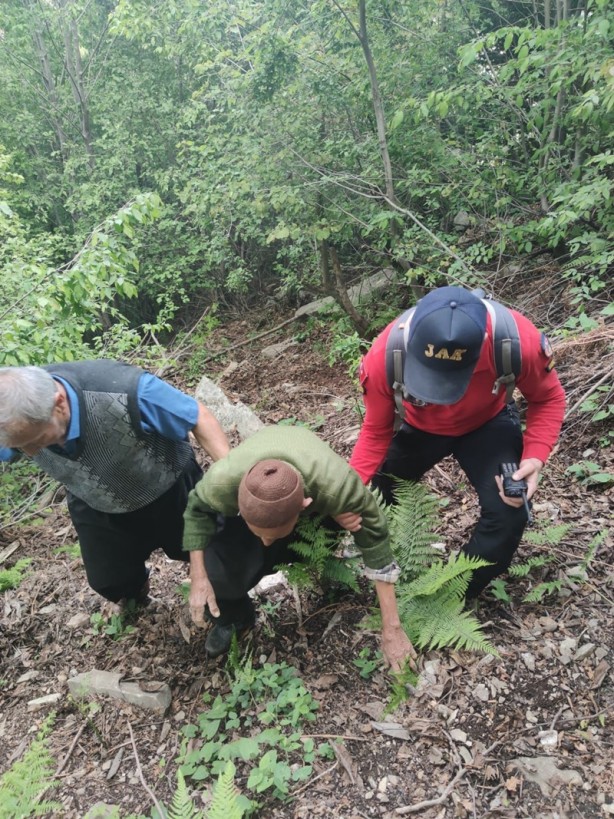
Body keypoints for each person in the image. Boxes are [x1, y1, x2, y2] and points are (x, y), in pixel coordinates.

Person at [349, 285, 566, 599]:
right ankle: (385, 565)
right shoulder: (385, 357)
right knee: (375, 494)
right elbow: (375, 431)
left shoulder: (517, 341)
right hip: (418, 427)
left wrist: (535, 456)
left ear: (482, 346)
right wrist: (348, 492)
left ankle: (452, 594)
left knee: (510, 511)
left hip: (487, 424)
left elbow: (548, 398)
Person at [182, 424, 416, 670]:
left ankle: (320, 560)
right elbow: (196, 511)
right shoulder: (222, 482)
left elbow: (377, 545)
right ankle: (236, 620)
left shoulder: (339, 487)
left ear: (305, 505)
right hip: (263, 505)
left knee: (348, 516)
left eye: (272, 536)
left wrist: (392, 629)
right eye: (260, 534)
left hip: (315, 501)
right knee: (215, 568)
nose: (265, 542)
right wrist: (198, 574)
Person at [0, 361, 230, 603]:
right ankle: (136, 598)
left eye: (38, 439)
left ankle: (231, 613)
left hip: (168, 485)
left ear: (59, 405)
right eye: (20, 446)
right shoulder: (15, 422)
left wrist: (232, 477)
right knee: (109, 580)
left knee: (215, 558)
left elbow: (197, 416)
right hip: (94, 498)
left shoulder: (127, 391)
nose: (31, 452)